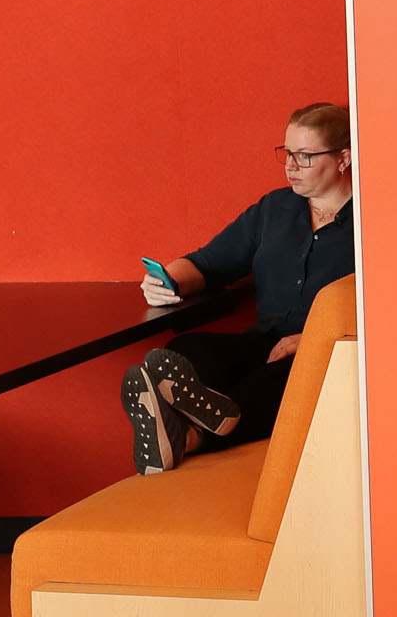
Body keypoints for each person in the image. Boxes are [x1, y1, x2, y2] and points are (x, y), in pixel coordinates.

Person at [122, 102, 356, 475]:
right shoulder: (274, 209)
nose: (291, 166)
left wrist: (315, 338)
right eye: (287, 153)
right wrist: (167, 280)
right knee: (186, 348)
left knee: (283, 375)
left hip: (326, 349)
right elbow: (207, 263)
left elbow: (395, 301)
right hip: (262, 339)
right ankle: (188, 424)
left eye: (305, 156)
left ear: (344, 158)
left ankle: (187, 438)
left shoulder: (375, 217)